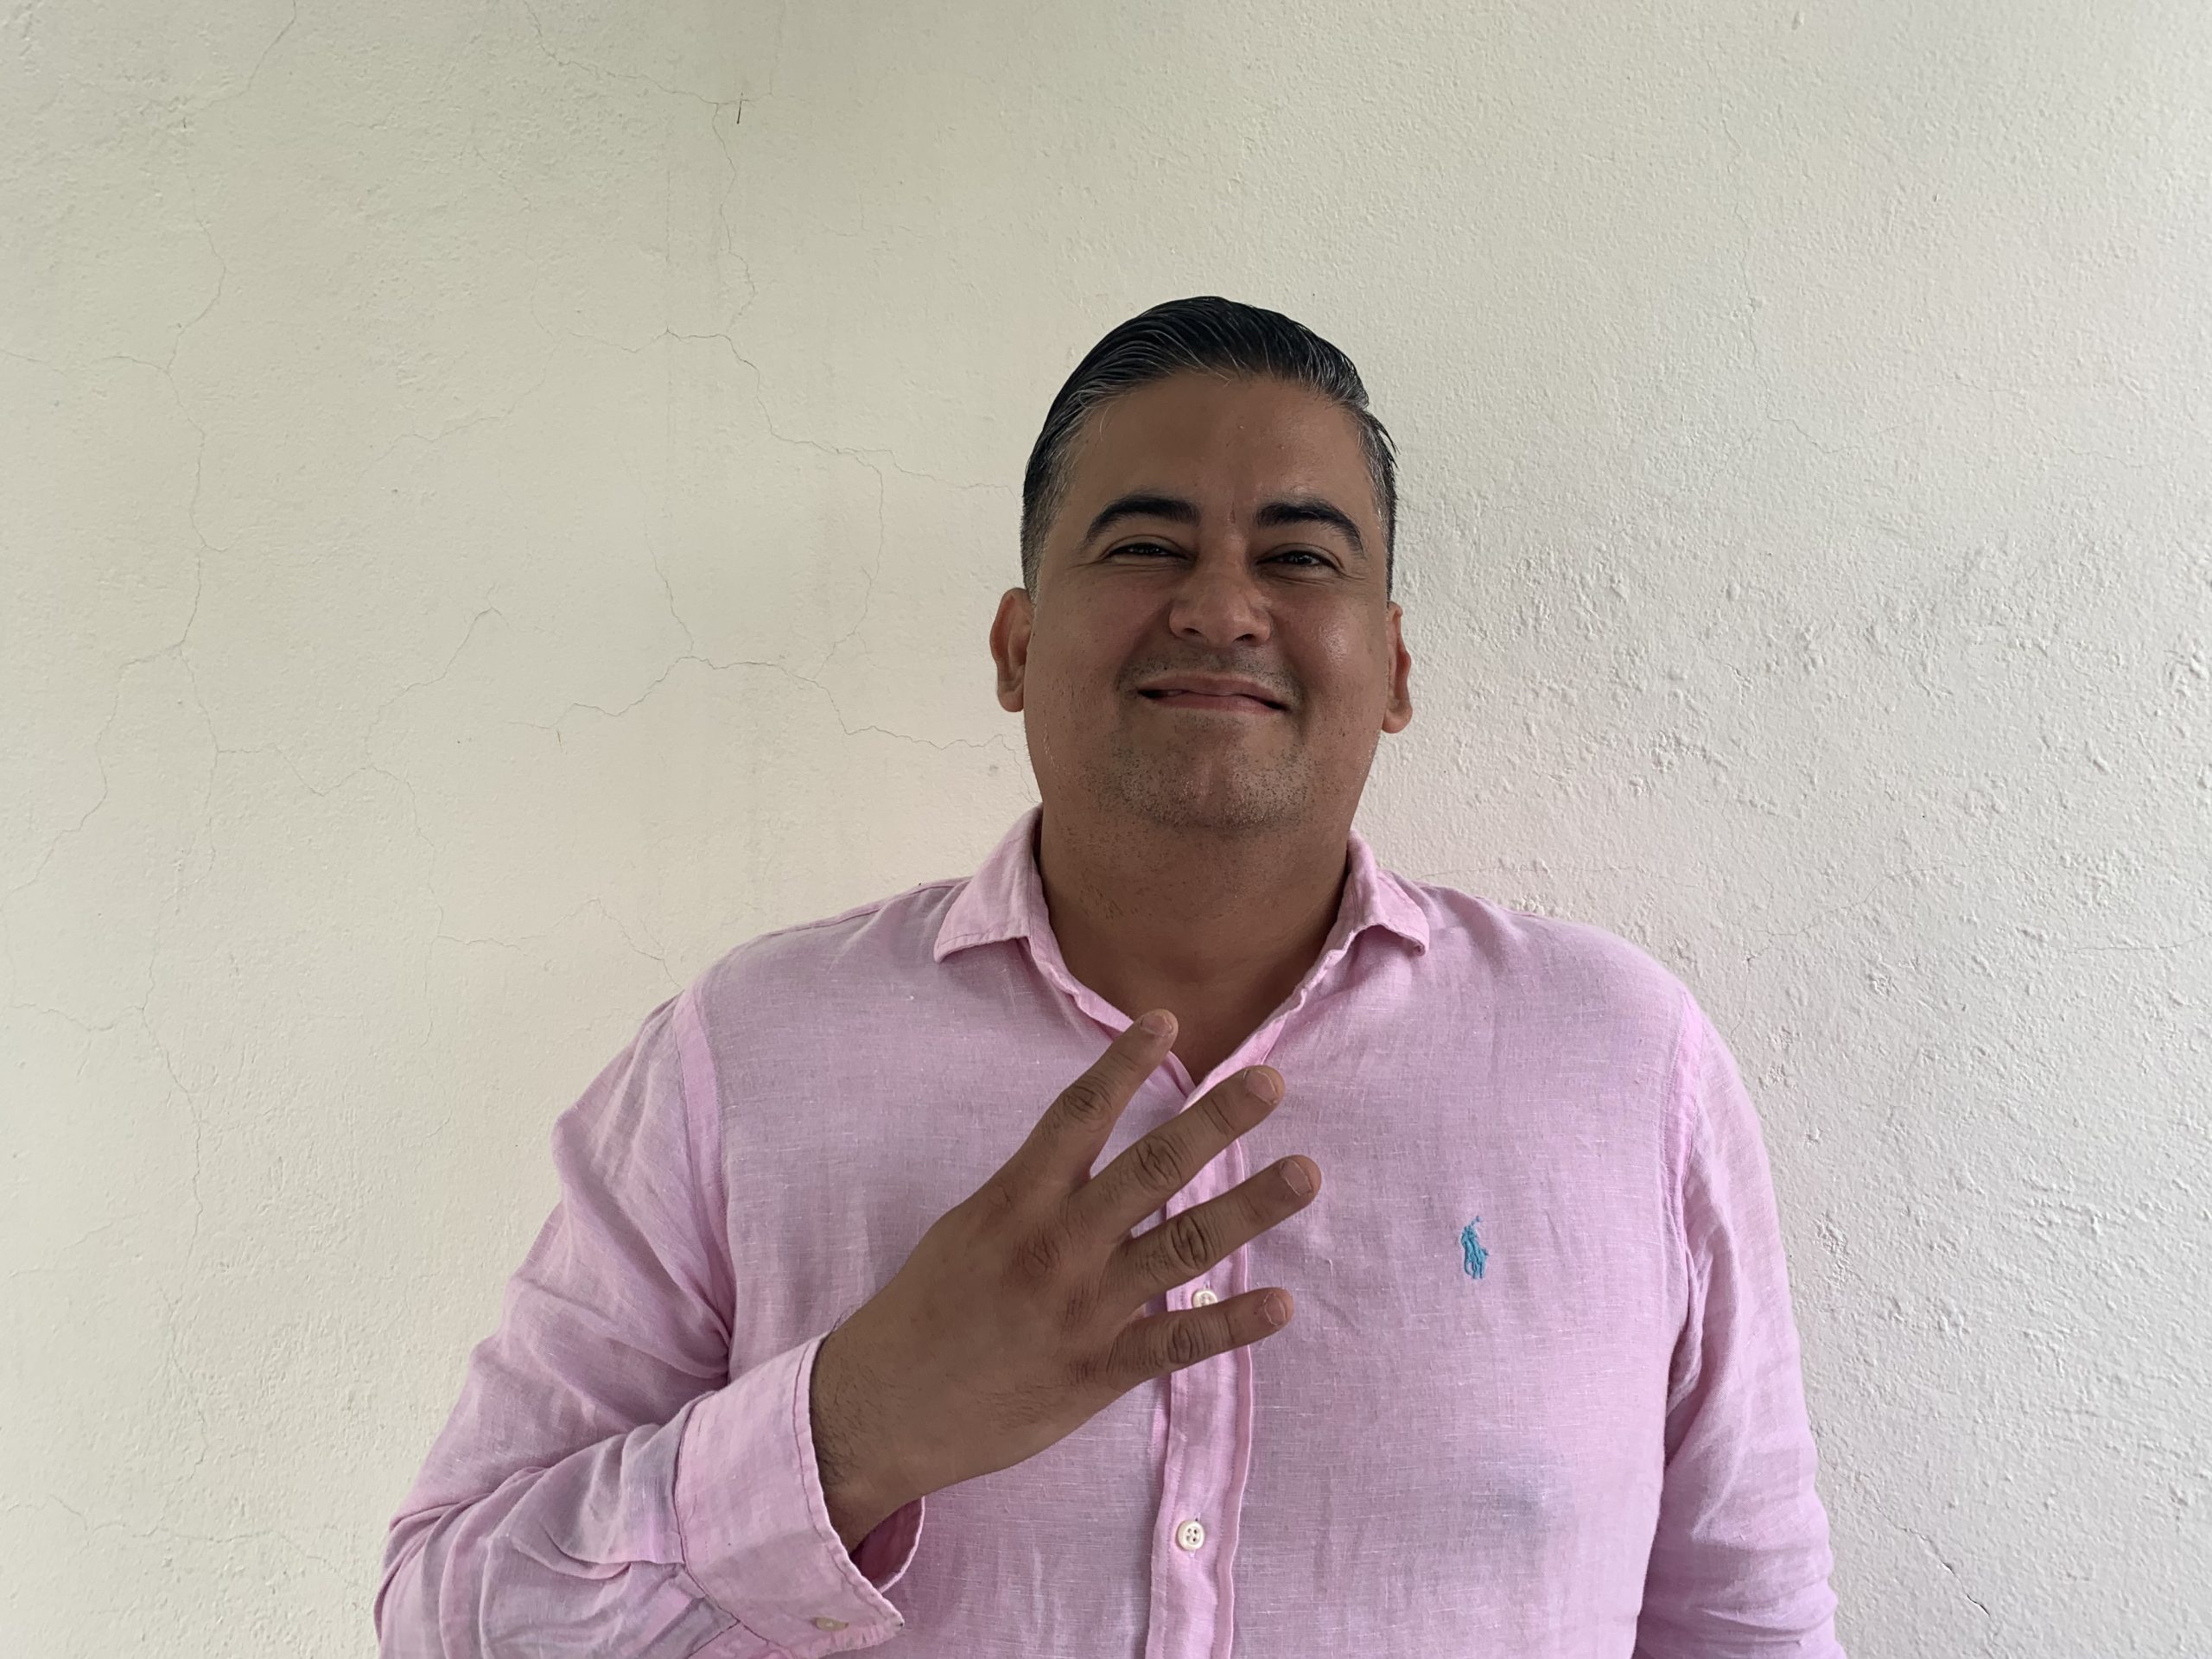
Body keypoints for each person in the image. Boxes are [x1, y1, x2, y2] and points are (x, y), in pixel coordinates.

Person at [374, 296, 1846, 1657]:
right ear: (1017, 646)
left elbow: (1751, 1626)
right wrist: (854, 1428)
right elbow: (449, 1615)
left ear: (1394, 666)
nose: (1221, 607)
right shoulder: (745, 1058)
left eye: (1299, 557)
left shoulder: (1622, 1065)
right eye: (1146, 546)